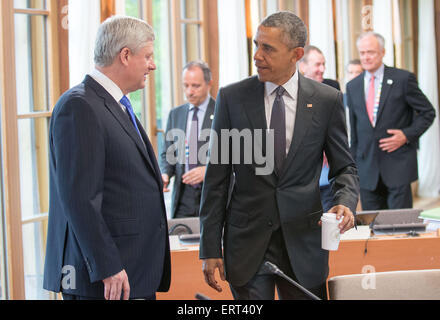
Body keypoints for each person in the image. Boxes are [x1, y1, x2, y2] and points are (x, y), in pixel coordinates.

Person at [199, 11, 359, 300]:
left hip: (304, 245)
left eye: (268, 48)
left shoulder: (326, 100)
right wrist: (209, 247)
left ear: (296, 54)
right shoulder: (231, 98)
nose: (257, 55)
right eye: (256, 45)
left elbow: (344, 167)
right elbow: (216, 180)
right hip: (247, 246)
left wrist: (345, 202)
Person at [43, 16, 171, 300]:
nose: (153, 65)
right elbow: (79, 198)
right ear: (125, 55)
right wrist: (107, 266)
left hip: (132, 272)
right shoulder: (79, 106)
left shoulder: (116, 103)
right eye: (148, 56)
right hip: (104, 279)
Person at [346, 32, 435, 210]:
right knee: (371, 230)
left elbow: (428, 112)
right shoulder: (352, 86)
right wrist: (353, 169)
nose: (366, 57)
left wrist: (406, 135)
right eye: (362, 53)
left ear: (383, 52)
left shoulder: (403, 79)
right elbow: (355, 133)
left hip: (398, 167)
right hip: (367, 171)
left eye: (370, 52)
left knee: (400, 229)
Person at [160, 61, 215, 219]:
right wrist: (164, 174)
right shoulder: (175, 114)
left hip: (212, 197)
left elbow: (236, 159)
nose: (189, 92)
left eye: (195, 86)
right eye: (186, 86)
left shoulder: (222, 111)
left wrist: (208, 171)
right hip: (183, 198)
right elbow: (168, 154)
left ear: (209, 84)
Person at [299, 45, 341, 212]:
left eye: (324, 64)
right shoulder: (292, 90)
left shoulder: (332, 87)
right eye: (317, 64)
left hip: (328, 170)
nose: (322, 69)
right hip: (302, 173)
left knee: (329, 219)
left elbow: (339, 126)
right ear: (302, 66)